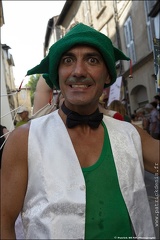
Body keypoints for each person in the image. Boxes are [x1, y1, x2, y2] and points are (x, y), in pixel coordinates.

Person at [1, 23, 158, 239]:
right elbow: (3, 221)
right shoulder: (24, 140)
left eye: (92, 60)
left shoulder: (131, 135)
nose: (78, 71)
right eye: (68, 61)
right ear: (57, 74)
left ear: (108, 75)